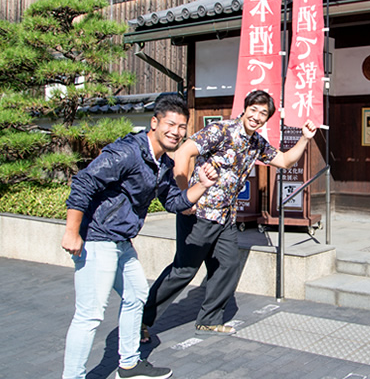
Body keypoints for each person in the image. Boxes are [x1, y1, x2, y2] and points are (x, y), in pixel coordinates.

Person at [61, 94, 219, 379]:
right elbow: (84, 181)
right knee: (90, 315)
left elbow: (175, 202)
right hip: (98, 239)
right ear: (155, 123)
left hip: (122, 242)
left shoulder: (163, 164)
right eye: (170, 124)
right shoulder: (128, 152)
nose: (176, 132)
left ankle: (129, 364)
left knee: (136, 296)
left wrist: (204, 185)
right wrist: (72, 232)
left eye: (182, 127)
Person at [142, 89, 316, 340]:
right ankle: (140, 321)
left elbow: (286, 161)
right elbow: (183, 153)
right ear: (244, 109)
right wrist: (184, 197)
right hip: (198, 213)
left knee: (227, 265)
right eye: (253, 110)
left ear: (266, 119)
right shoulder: (221, 131)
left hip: (225, 218)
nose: (256, 116)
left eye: (263, 113)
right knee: (183, 270)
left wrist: (304, 138)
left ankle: (209, 320)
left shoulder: (256, 143)